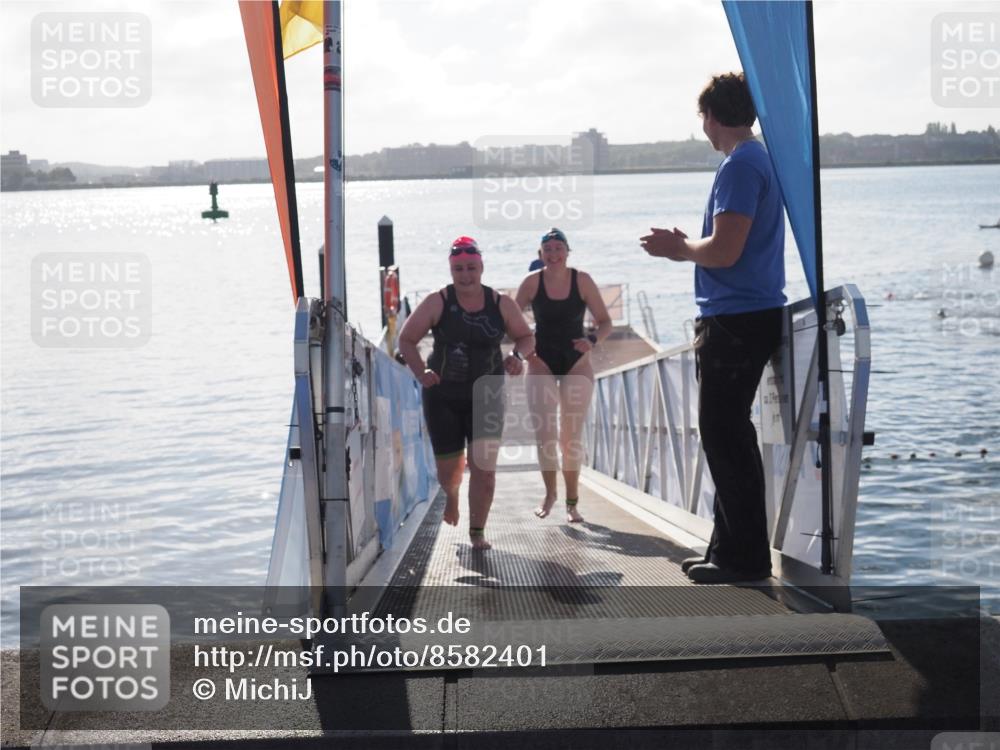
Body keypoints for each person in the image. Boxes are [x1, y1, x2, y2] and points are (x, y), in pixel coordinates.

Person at [640, 72, 786, 584]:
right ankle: (728, 551)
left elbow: (725, 251)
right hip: (749, 313)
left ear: (712, 116)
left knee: (725, 435)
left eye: (702, 116)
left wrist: (677, 248)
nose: (702, 125)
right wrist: (688, 245)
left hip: (737, 318)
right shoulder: (757, 160)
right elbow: (729, 244)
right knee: (728, 434)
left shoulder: (740, 165)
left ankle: (745, 559)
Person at [398, 236, 535, 550]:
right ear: (451, 270)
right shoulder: (438, 301)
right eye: (458, 269)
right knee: (450, 472)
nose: (465, 275)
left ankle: (477, 532)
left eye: (471, 268)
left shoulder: (501, 303)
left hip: (487, 395)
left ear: (481, 267)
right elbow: (406, 340)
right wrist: (421, 372)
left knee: (484, 471)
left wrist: (517, 357)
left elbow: (526, 337)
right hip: (443, 395)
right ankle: (452, 495)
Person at [515, 228, 612, 523]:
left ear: (568, 252)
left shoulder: (582, 280)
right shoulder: (531, 282)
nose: (554, 254)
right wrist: (522, 352)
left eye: (559, 248)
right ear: (540, 254)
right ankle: (550, 494)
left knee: (570, 438)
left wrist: (591, 341)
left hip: (576, 363)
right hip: (540, 361)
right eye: (548, 249)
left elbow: (605, 322)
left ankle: (572, 502)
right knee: (545, 435)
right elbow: (511, 321)